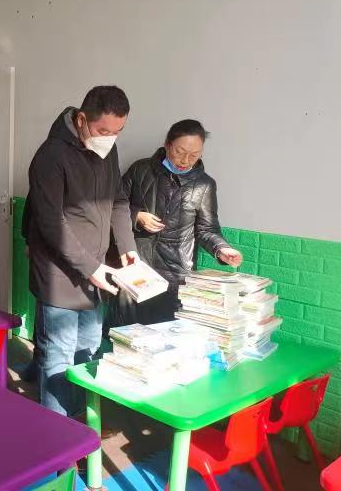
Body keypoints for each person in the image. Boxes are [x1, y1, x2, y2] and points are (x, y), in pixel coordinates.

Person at [25, 86, 137, 416]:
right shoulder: (50, 156)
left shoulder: (108, 151)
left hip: (96, 271)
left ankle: (78, 424)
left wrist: (127, 247)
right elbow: (51, 222)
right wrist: (91, 268)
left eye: (118, 131)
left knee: (88, 346)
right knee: (59, 354)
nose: (110, 138)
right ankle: (57, 435)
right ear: (81, 119)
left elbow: (118, 201)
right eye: (103, 131)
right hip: (60, 275)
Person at [117, 119, 243, 324]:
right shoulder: (140, 169)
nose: (185, 160)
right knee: (125, 331)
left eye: (194, 155)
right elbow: (114, 205)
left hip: (175, 273)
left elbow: (207, 229)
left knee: (165, 333)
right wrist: (137, 216)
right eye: (179, 151)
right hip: (136, 266)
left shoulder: (205, 185)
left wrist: (222, 249)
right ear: (167, 144)